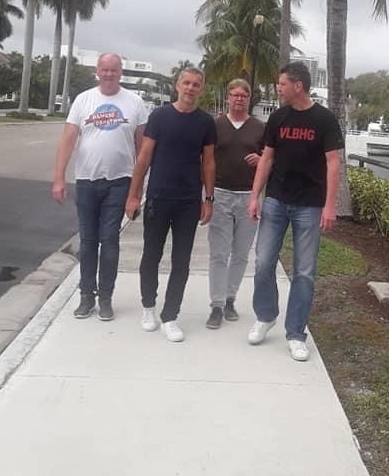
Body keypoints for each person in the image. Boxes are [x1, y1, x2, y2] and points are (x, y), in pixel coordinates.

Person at [246, 62, 344, 361]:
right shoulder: (278, 117)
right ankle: (265, 316)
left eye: (282, 84)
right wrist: (255, 196)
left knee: (304, 271)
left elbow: (333, 163)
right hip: (276, 200)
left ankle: (296, 333)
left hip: (309, 205)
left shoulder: (324, 119)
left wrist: (330, 205)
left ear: (297, 85)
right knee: (263, 262)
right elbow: (266, 158)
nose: (278, 88)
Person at [53, 53, 149, 321]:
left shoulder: (135, 103)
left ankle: (106, 297)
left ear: (121, 72)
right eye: (104, 69)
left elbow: (142, 149)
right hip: (86, 181)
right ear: (98, 71)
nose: (109, 74)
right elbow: (68, 140)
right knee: (87, 241)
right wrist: (59, 178)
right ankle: (87, 296)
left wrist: (137, 191)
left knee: (109, 240)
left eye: (113, 70)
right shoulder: (84, 100)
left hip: (120, 182)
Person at [125, 67, 216, 343]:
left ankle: (170, 315)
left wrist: (208, 199)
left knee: (181, 260)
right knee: (151, 254)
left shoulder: (205, 122)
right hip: (159, 197)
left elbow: (209, 162)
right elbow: (144, 156)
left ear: (201, 89)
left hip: (188, 201)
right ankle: (148, 307)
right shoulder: (160, 116)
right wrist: (133, 195)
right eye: (186, 83)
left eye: (196, 84)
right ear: (177, 85)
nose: (190, 88)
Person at [205, 78, 265, 329]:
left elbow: (270, 160)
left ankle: (230, 299)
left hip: (249, 197)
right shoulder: (215, 125)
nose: (239, 99)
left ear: (249, 99)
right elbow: (206, 159)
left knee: (240, 254)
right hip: (220, 194)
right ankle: (216, 305)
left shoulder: (260, 128)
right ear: (228, 97)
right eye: (235, 94)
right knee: (219, 254)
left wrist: (261, 159)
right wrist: (206, 196)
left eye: (243, 95)